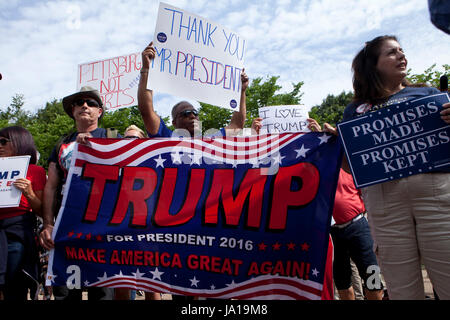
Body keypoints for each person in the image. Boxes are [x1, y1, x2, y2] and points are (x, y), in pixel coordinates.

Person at [342, 35, 450, 299]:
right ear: (373, 65)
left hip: (437, 197)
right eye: (391, 53)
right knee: (402, 289)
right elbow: (349, 167)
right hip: (386, 205)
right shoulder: (354, 111)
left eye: (402, 50)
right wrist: (342, 145)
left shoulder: (431, 95)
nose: (401, 55)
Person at [39, 86, 116, 300]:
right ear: (72, 111)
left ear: (99, 112)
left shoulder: (113, 139)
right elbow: (51, 187)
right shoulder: (61, 144)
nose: (85, 106)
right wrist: (47, 224)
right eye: (80, 102)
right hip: (67, 226)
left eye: (91, 103)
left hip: (102, 227)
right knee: (66, 292)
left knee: (101, 292)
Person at [307, 118, 383, 300]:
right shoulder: (314, 171)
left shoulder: (349, 166)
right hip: (332, 234)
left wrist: (331, 135)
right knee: (342, 283)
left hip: (358, 227)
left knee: (373, 280)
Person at [137, 42, 249, 139]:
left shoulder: (211, 141)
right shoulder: (167, 138)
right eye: (185, 114)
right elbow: (146, 111)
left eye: (195, 113)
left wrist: (241, 92)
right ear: (174, 123)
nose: (192, 116)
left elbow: (237, 125)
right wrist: (146, 70)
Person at [114, 124, 162, 301]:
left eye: (134, 138)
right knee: (122, 284)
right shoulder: (114, 163)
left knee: (150, 283)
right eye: (126, 138)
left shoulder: (155, 162)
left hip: (147, 230)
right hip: (120, 229)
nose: (129, 142)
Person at [0, 126, 46, 300]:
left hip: (17, 231)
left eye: (4, 142)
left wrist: (29, 193)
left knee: (14, 285)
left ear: (20, 142)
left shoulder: (35, 171)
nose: (0, 146)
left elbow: (41, 210)